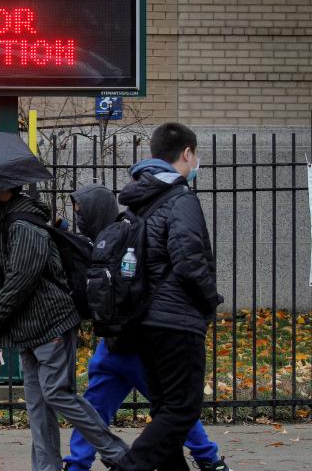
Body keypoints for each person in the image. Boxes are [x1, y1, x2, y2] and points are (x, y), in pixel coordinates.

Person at [0, 188, 128, 471]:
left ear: (4, 186)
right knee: (38, 406)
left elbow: (21, 279)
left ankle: (120, 455)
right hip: (27, 328)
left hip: (50, 323)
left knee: (57, 393)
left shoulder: (24, 225)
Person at [64, 184, 229, 471]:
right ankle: (208, 458)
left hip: (131, 344)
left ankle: (207, 456)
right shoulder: (110, 239)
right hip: (118, 344)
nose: (79, 219)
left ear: (95, 212)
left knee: (170, 410)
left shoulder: (118, 239)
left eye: (81, 213)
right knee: (104, 407)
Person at [107, 123, 223, 471]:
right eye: (195, 155)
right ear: (187, 153)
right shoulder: (180, 199)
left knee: (165, 408)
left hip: (144, 319)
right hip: (177, 320)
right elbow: (189, 261)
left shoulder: (140, 200)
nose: (196, 162)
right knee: (182, 408)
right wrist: (210, 300)